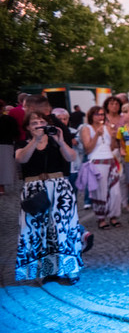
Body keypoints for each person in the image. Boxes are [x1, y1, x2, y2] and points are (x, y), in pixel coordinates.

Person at [15, 110, 91, 284]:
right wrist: (35, 140)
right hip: (34, 191)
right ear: (27, 127)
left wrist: (61, 141)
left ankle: (70, 270)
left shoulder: (56, 141)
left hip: (59, 189)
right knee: (38, 231)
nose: (39, 125)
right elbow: (21, 159)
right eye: (34, 123)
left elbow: (72, 157)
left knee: (63, 229)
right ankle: (48, 270)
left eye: (42, 122)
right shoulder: (22, 143)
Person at [81, 105, 122, 229]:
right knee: (100, 191)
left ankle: (113, 216)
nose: (100, 117)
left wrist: (114, 137)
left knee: (115, 191)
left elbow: (112, 147)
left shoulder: (108, 128)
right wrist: (97, 136)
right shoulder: (86, 129)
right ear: (91, 116)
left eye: (102, 114)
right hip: (96, 162)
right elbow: (88, 149)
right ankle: (101, 218)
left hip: (110, 160)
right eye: (97, 114)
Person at [0, 100, 19, 195]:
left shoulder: (8, 119)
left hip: (6, 144)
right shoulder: (9, 120)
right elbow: (15, 132)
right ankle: (1, 187)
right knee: (4, 167)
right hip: (6, 144)